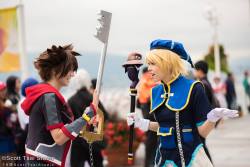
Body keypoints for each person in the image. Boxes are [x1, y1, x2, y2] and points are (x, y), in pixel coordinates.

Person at [127, 39, 238, 167]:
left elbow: (202, 132)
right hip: (163, 160)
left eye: (153, 63)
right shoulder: (155, 92)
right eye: (149, 64)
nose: (149, 69)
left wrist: (213, 117)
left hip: (190, 160)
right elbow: (166, 127)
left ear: (167, 63)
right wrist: (143, 123)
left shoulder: (194, 88)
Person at [21, 44, 98, 167]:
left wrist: (85, 121)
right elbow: (59, 137)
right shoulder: (49, 96)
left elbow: (58, 134)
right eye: (70, 69)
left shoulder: (45, 94)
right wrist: (87, 115)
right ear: (55, 70)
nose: (72, 74)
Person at [68, 69, 109, 167]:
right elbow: (105, 116)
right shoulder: (92, 99)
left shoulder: (71, 101)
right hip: (93, 139)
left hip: (77, 141)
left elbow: (69, 121)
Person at [193, 60, 216, 163]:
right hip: (207, 119)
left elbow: (201, 105)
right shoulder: (207, 82)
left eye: (195, 70)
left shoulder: (201, 85)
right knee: (201, 144)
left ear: (200, 71)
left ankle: (209, 164)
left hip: (202, 121)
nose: (194, 72)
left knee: (200, 145)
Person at [137, 66, 158, 167]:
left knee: (150, 143)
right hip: (152, 116)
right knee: (153, 142)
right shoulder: (149, 81)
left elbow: (138, 102)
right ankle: (150, 163)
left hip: (145, 114)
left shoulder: (142, 82)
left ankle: (148, 163)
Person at [0, 81, 17, 166]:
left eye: (4, 89)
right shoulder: (5, 107)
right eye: (1, 90)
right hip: (3, 142)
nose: (3, 92)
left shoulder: (7, 103)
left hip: (10, 140)